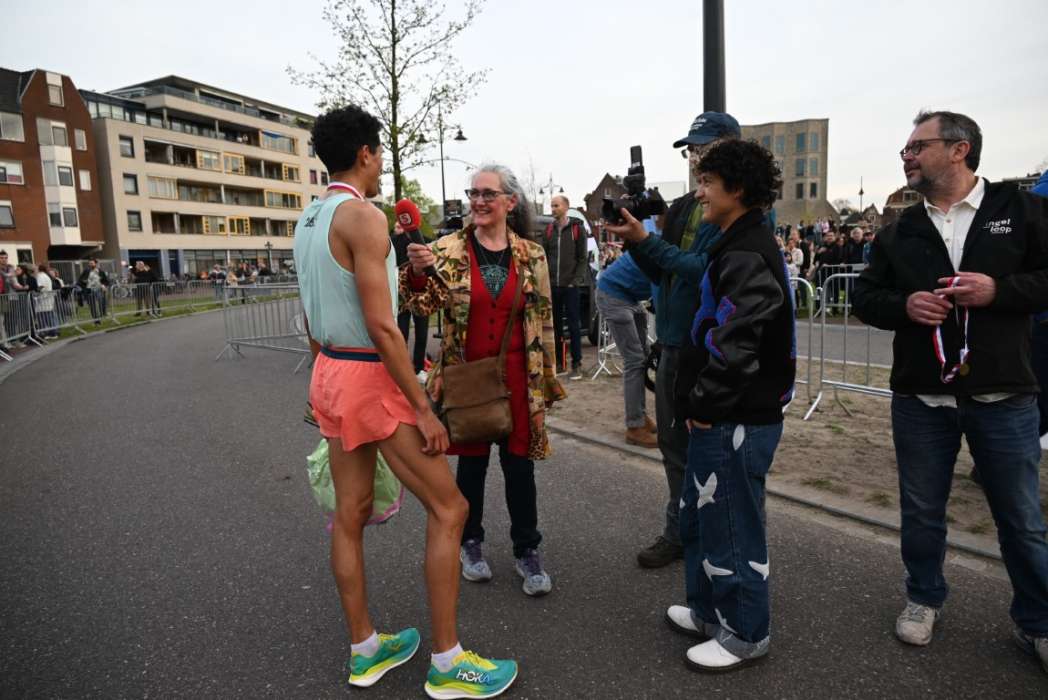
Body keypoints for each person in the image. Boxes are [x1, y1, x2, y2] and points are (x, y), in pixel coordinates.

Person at [293, 104, 516, 697]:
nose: (382, 163)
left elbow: (311, 316)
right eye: (379, 153)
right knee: (450, 508)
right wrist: (420, 407)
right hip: (369, 376)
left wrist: (324, 380)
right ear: (366, 153)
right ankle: (448, 664)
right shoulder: (364, 217)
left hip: (331, 370)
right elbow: (383, 326)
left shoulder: (309, 218)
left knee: (350, 512)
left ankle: (365, 649)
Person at [853, 110, 1048, 674]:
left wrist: (999, 291)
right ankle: (924, 597)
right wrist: (905, 306)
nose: (907, 157)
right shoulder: (900, 229)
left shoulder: (1021, 210)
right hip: (921, 398)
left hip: (1004, 397)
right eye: (905, 150)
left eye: (917, 146)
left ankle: (1037, 621)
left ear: (959, 149)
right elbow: (866, 298)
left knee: (1020, 519)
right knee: (921, 512)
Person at [653, 138, 793, 672]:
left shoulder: (747, 250)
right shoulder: (733, 241)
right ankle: (709, 611)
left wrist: (706, 403)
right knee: (704, 516)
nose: (699, 192)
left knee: (732, 522)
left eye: (708, 182)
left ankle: (745, 632)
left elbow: (738, 342)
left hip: (737, 415)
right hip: (721, 411)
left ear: (737, 188)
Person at [402, 163, 566, 598]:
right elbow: (420, 306)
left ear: (510, 202)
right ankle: (470, 542)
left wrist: (547, 381)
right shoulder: (446, 250)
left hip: (519, 378)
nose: (478, 201)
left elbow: (544, 319)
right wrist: (417, 272)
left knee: (520, 468)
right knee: (472, 467)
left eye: (488, 194)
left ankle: (527, 549)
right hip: (467, 377)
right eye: (473, 193)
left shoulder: (532, 254)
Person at [605, 111, 742, 569]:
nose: (696, 157)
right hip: (671, 342)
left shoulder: (741, 209)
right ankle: (680, 531)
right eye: (692, 150)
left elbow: (704, 271)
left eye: (704, 147)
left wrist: (649, 242)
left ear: (732, 147)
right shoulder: (685, 206)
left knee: (714, 450)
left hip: (708, 348)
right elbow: (662, 272)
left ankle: (715, 539)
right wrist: (635, 241)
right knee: (672, 445)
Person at [594, 252, 658, 448]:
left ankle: (639, 415)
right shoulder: (666, 250)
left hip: (629, 295)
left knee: (643, 357)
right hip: (613, 293)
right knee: (635, 360)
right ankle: (634, 427)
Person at [542, 194, 588, 379]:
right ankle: (560, 364)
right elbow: (544, 257)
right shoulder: (548, 230)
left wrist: (575, 281)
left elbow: (582, 258)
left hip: (570, 287)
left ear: (566, 207)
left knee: (574, 326)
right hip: (553, 286)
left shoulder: (577, 229)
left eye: (556, 206)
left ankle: (577, 364)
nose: (553, 209)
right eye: (552, 206)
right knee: (555, 327)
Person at [390, 220, 430, 374]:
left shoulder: (422, 240)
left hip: (419, 293)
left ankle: (417, 368)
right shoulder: (393, 242)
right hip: (403, 292)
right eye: (397, 226)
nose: (399, 229)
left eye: (401, 226)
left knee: (420, 332)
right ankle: (406, 368)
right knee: (403, 332)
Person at [77, 259, 109, 325]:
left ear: (95, 264)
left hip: (98, 290)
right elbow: (80, 280)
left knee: (101, 302)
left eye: (92, 263)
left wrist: (104, 285)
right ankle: (96, 321)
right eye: (89, 263)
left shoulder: (100, 271)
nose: (90, 264)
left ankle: (103, 313)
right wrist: (84, 281)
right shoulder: (86, 271)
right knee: (92, 306)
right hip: (89, 290)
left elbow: (106, 281)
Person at [33, 263, 57, 338]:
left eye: (35, 268)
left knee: (43, 318)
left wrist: (36, 293)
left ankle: (48, 333)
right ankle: (53, 332)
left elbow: (41, 287)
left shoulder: (40, 276)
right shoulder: (46, 276)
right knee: (49, 316)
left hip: (43, 299)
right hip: (47, 299)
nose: (34, 270)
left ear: (38, 269)